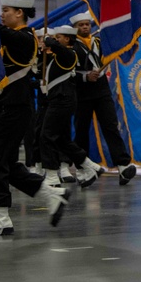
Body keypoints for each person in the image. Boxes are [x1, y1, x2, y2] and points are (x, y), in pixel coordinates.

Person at [0, 0, 68, 237]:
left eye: (6, 10)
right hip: (10, 107)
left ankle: (1, 216)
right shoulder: (16, 38)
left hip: (15, 109)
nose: (3, 14)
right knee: (7, 163)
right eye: (2, 10)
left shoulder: (25, 38)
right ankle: (52, 194)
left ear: (20, 13)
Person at [70, 12, 137, 185]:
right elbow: (67, 72)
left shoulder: (99, 42)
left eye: (87, 24)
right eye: (81, 25)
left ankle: (122, 165)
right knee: (82, 131)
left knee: (110, 126)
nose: (85, 27)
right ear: (75, 28)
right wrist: (85, 77)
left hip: (102, 91)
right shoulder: (70, 46)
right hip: (82, 93)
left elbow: (115, 49)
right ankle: (83, 168)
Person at [39, 25, 102, 189]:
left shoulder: (69, 54)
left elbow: (57, 47)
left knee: (47, 136)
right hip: (59, 100)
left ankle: (52, 175)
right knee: (61, 139)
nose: (56, 39)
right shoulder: (57, 56)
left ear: (67, 39)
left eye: (58, 37)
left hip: (62, 100)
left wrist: (48, 40)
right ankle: (90, 166)